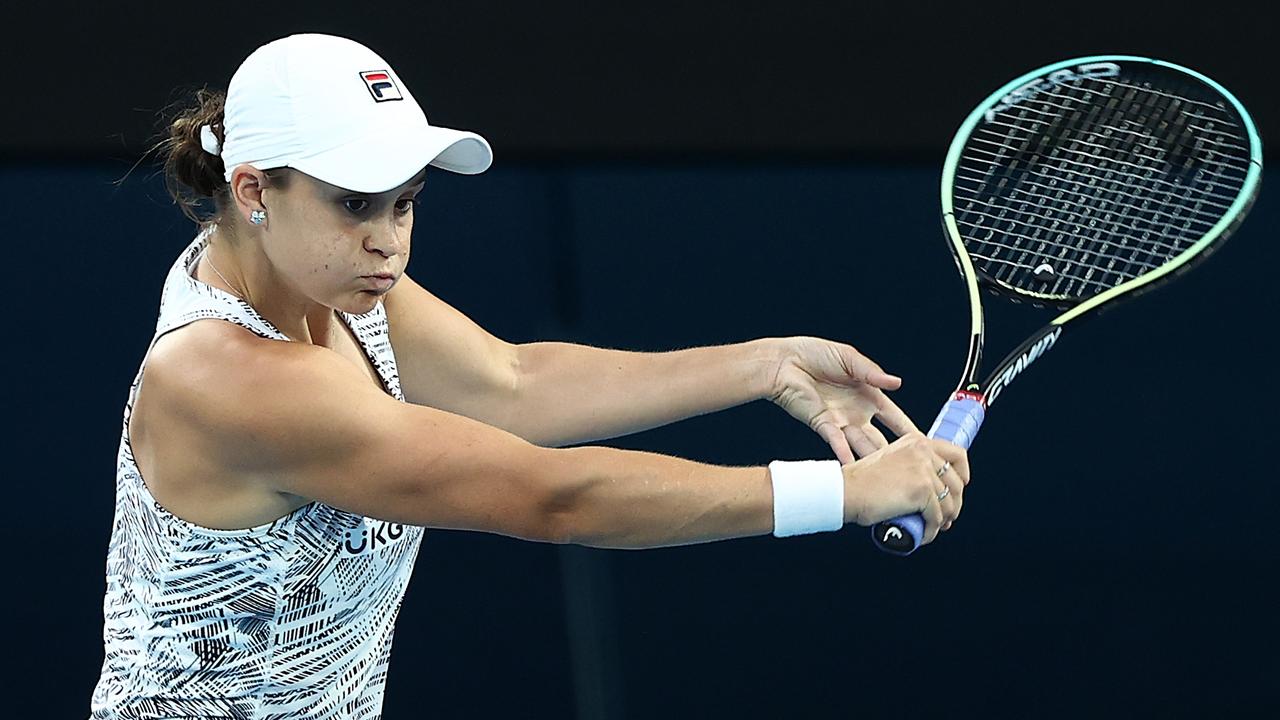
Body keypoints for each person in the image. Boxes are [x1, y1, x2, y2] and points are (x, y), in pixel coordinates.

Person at [91, 33, 970, 719]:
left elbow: (510, 384)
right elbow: (556, 498)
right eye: (355, 202)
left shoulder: (322, 274)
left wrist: (766, 364)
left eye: (405, 204)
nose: (388, 240)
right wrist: (844, 494)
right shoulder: (235, 383)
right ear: (252, 189)